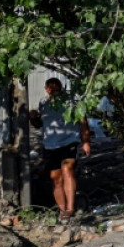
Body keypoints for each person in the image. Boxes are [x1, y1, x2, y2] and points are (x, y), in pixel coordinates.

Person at [30, 78, 91, 221]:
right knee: (55, 178)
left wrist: (86, 142)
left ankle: (71, 208)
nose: (53, 90)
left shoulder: (72, 102)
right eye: (50, 88)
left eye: (56, 87)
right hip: (50, 145)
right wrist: (33, 118)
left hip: (69, 141)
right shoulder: (43, 103)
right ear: (46, 89)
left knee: (67, 169)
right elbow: (39, 124)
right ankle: (63, 211)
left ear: (61, 88)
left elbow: (83, 122)